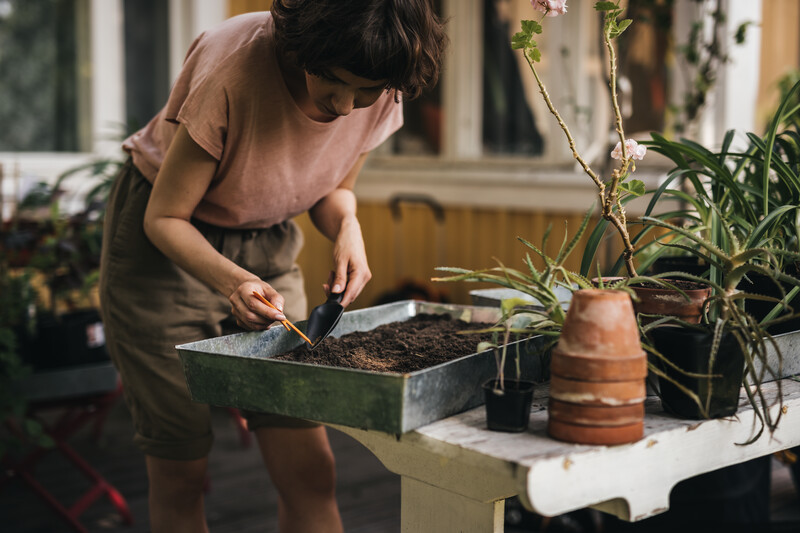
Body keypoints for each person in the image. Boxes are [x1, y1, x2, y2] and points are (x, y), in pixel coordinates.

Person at [98, 1, 446, 531]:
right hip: (166, 253)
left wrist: (348, 226)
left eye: (366, 90)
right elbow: (164, 218)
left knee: (310, 469)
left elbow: (333, 190)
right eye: (331, 80)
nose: (346, 105)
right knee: (182, 469)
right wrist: (232, 280)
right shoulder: (233, 65)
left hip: (269, 241)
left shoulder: (385, 76)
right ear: (302, 47)